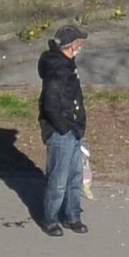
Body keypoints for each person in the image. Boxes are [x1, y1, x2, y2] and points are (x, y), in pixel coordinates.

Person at [37, 25, 89, 237]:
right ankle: (50, 220)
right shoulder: (59, 70)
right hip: (63, 131)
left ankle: (72, 216)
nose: (82, 45)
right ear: (72, 45)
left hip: (73, 129)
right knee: (59, 179)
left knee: (75, 176)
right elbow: (50, 104)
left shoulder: (66, 63)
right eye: (80, 41)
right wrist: (63, 128)